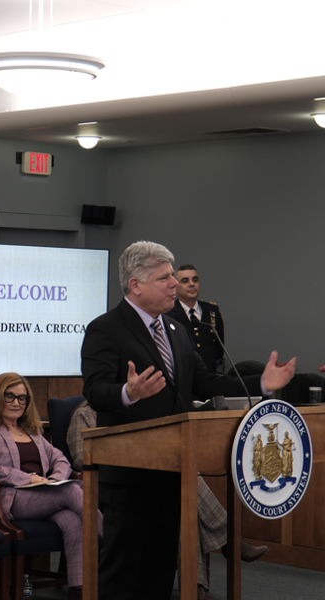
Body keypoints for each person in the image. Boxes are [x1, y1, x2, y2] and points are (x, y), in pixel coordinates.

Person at [80, 240, 296, 600]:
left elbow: (205, 382)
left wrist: (261, 383)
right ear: (135, 284)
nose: (174, 285)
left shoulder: (176, 331)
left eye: (173, 277)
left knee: (161, 569)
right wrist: (128, 393)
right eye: (164, 278)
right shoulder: (106, 328)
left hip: (173, 470)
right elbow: (94, 389)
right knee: (122, 569)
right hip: (129, 472)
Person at [66, 401, 267, 600]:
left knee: (182, 502)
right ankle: (228, 538)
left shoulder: (133, 414)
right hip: (108, 487)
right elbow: (81, 458)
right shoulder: (83, 415)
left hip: (142, 481)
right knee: (183, 481)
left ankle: (196, 589)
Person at [0, 373, 100, 600]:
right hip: (9, 499)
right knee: (71, 490)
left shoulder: (33, 431)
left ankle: (80, 592)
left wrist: (55, 478)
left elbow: (61, 460)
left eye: (22, 398)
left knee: (73, 520)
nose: (16, 403)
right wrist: (27, 479)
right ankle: (110, 538)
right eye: (9, 396)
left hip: (43, 496)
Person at [165, 264, 225, 372]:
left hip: (210, 378)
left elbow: (219, 350)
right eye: (185, 281)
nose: (191, 284)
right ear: (175, 286)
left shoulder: (212, 310)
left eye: (195, 280)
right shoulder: (167, 314)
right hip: (183, 379)